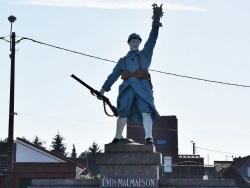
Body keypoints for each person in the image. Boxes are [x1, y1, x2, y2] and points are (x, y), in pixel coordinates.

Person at [100, 4, 163, 144]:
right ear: (129, 43)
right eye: (132, 41)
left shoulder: (145, 55)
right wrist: (103, 89)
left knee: (146, 110)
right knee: (122, 111)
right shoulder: (123, 61)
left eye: (137, 41)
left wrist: (156, 23)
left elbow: (152, 40)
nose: (135, 43)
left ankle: (148, 137)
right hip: (127, 87)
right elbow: (113, 75)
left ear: (139, 43)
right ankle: (117, 137)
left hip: (143, 87)